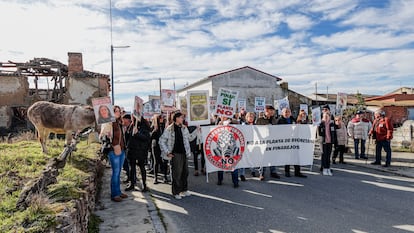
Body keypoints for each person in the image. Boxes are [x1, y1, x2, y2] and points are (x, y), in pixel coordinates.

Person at [159, 112, 192, 199]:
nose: (183, 119)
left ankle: (184, 189)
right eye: (181, 117)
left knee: (185, 172)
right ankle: (176, 192)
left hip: (184, 153)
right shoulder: (169, 129)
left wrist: (198, 131)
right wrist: (167, 152)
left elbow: (190, 138)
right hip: (175, 154)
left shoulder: (184, 128)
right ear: (176, 118)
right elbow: (161, 141)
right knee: (177, 173)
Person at [99, 105, 128, 202]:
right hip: (113, 149)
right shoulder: (108, 123)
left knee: (119, 172)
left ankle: (118, 192)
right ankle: (114, 194)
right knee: (115, 172)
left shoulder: (119, 123)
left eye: (119, 112)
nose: (118, 113)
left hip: (122, 149)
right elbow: (101, 135)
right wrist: (107, 135)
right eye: (116, 111)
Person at [124, 112, 151, 192]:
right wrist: (127, 132)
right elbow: (127, 138)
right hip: (131, 150)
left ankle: (144, 184)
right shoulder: (132, 125)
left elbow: (146, 138)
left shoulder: (144, 126)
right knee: (131, 168)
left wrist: (137, 134)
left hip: (140, 151)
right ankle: (132, 183)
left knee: (142, 168)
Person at [277, 108, 307, 178]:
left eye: (288, 112)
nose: (287, 113)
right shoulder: (280, 120)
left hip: (294, 141)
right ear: (282, 113)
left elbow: (298, 125)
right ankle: (287, 172)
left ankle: (297, 172)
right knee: (287, 157)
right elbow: (277, 131)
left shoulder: (292, 119)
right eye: (285, 112)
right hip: (286, 141)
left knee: (296, 157)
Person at [255, 105, 280, 180]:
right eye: (270, 111)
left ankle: (273, 172)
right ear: (266, 111)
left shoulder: (274, 120)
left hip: (273, 141)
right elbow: (257, 130)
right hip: (264, 142)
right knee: (263, 158)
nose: (271, 113)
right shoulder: (260, 120)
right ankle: (261, 173)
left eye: (272, 111)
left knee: (273, 157)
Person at [216, 115, 240, 188]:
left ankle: (235, 181)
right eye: (221, 115)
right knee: (221, 164)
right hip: (222, 147)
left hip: (231, 147)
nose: (223, 116)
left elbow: (239, 123)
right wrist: (220, 123)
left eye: (225, 115)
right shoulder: (218, 123)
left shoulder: (232, 122)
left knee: (233, 165)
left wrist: (231, 121)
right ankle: (220, 179)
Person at [150, 114, 169, 184]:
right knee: (156, 161)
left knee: (165, 162)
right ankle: (155, 178)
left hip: (164, 146)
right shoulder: (153, 126)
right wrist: (154, 131)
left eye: (163, 118)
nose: (162, 119)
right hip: (155, 145)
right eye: (160, 118)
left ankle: (165, 177)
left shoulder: (165, 125)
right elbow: (150, 136)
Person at [318, 112, 337, 176]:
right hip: (323, 142)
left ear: (329, 117)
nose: (326, 117)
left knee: (329, 156)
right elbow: (319, 133)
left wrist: (334, 141)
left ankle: (328, 168)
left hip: (330, 142)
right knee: (324, 155)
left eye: (327, 116)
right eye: (325, 116)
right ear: (323, 117)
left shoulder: (331, 124)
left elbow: (334, 134)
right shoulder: (321, 124)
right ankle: (324, 168)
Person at [240, 112, 257, 179]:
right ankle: (242, 174)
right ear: (246, 118)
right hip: (245, 143)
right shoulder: (244, 125)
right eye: (249, 117)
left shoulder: (255, 125)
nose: (251, 118)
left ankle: (253, 171)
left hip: (252, 143)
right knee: (243, 159)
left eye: (252, 117)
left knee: (252, 158)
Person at [121, 113, 132, 183]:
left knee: (128, 165)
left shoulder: (131, 127)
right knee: (125, 165)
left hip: (129, 149)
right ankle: (129, 176)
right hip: (125, 148)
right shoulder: (124, 127)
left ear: (128, 120)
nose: (123, 121)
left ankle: (130, 178)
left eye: (124, 120)